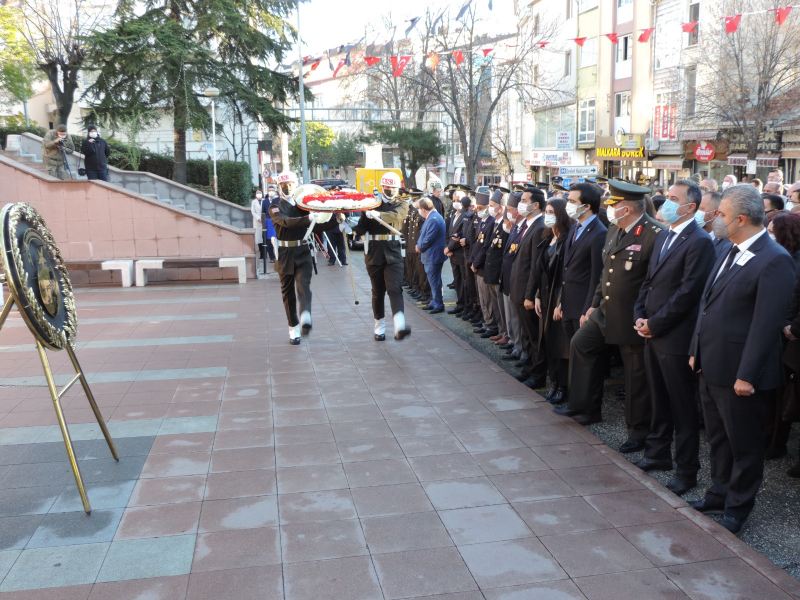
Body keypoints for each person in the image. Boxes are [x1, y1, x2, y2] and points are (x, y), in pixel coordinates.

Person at [689, 184, 795, 534]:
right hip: (711, 364)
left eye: (721, 214)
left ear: (741, 219)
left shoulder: (774, 258)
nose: (714, 218)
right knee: (718, 438)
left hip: (740, 372)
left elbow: (766, 325)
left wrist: (747, 375)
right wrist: (695, 350)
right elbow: (707, 305)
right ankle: (718, 494)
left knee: (744, 446)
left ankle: (737, 508)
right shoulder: (726, 247)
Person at [556, 181, 665, 454]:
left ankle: (638, 432)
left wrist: (644, 316)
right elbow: (606, 274)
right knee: (581, 344)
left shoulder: (654, 234)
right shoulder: (616, 229)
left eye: (613, 205)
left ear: (626, 209)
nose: (609, 209)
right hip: (605, 310)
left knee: (636, 376)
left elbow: (654, 283)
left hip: (631, 316)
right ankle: (585, 407)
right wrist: (593, 306)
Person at [632, 179, 716, 496]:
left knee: (682, 407)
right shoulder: (665, 234)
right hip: (652, 331)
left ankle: (686, 470)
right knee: (658, 399)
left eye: (673, 198)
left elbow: (688, 293)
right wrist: (640, 315)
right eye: (667, 196)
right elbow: (649, 282)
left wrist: (655, 323)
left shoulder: (699, 241)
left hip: (676, 337)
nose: (666, 203)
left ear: (690, 207)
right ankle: (657, 453)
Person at [270, 171, 336, 345]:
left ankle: (305, 314)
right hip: (285, 253)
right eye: (283, 185)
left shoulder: (303, 206)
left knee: (303, 285)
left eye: (290, 184)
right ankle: (293, 328)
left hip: (302, 251)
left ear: (296, 185)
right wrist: (307, 218)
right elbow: (285, 222)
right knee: (288, 293)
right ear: (278, 187)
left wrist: (336, 220)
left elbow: (316, 226)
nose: (287, 188)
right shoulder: (275, 207)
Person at [350, 172, 411, 341]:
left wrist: (379, 215)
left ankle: (399, 325)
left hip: (393, 252)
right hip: (374, 252)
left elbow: (397, 215)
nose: (390, 190)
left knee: (395, 288)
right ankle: (379, 326)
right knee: (377, 291)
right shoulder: (371, 204)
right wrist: (350, 230)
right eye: (387, 187)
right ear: (382, 187)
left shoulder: (402, 204)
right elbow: (362, 226)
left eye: (393, 187)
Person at [560, 183, 607, 349]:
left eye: (573, 201)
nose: (568, 205)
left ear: (587, 206)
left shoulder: (599, 233)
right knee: (571, 351)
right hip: (568, 304)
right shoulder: (575, 227)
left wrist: (588, 309)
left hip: (582, 307)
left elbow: (596, 276)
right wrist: (561, 301)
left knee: (583, 353)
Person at [510, 187, 548, 389]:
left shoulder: (540, 227)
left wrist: (530, 295)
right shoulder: (527, 225)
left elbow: (535, 265)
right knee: (526, 335)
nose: (520, 204)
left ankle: (538, 375)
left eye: (524, 200)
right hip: (518, 290)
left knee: (535, 337)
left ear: (536, 205)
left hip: (527, 292)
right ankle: (528, 370)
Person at [535, 198, 572, 404]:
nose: (547, 215)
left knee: (561, 346)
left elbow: (567, 275)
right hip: (546, 296)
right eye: (546, 212)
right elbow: (542, 271)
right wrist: (537, 295)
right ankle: (555, 383)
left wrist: (561, 302)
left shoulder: (567, 239)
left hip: (558, 297)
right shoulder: (548, 236)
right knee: (549, 343)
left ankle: (564, 386)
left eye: (551, 212)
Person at [500, 194, 526, 363]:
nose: (508, 213)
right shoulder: (516, 227)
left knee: (518, 317)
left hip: (518, 280)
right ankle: (516, 344)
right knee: (511, 316)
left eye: (510, 210)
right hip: (508, 277)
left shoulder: (524, 228)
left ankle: (521, 348)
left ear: (518, 211)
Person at [469, 192, 499, 338]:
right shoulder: (482, 221)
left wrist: (476, 262)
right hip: (477, 264)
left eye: (481, 208)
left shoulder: (491, 222)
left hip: (483, 265)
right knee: (481, 297)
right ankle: (486, 321)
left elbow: (485, 246)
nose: (478, 210)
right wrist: (472, 260)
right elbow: (476, 243)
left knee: (487, 299)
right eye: (478, 207)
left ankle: (491, 325)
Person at [416, 198, 447, 314]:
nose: (419, 211)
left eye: (419, 209)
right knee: (433, 281)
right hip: (431, 255)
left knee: (435, 282)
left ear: (423, 209)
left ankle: (438, 303)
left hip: (433, 256)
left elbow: (428, 239)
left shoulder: (433, 219)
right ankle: (434, 301)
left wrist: (419, 247)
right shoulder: (432, 217)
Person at [697, 190, 733, 258]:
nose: (696, 212)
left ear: (716, 213)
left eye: (701, 209)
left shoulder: (727, 243)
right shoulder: (693, 235)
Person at [251, 189, 264, 267]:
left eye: (260, 193)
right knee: (259, 238)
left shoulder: (264, 201)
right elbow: (253, 212)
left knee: (265, 237)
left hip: (265, 221)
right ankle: (261, 253)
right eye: (257, 193)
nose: (259, 194)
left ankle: (265, 252)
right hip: (258, 221)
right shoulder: (254, 202)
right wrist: (259, 218)